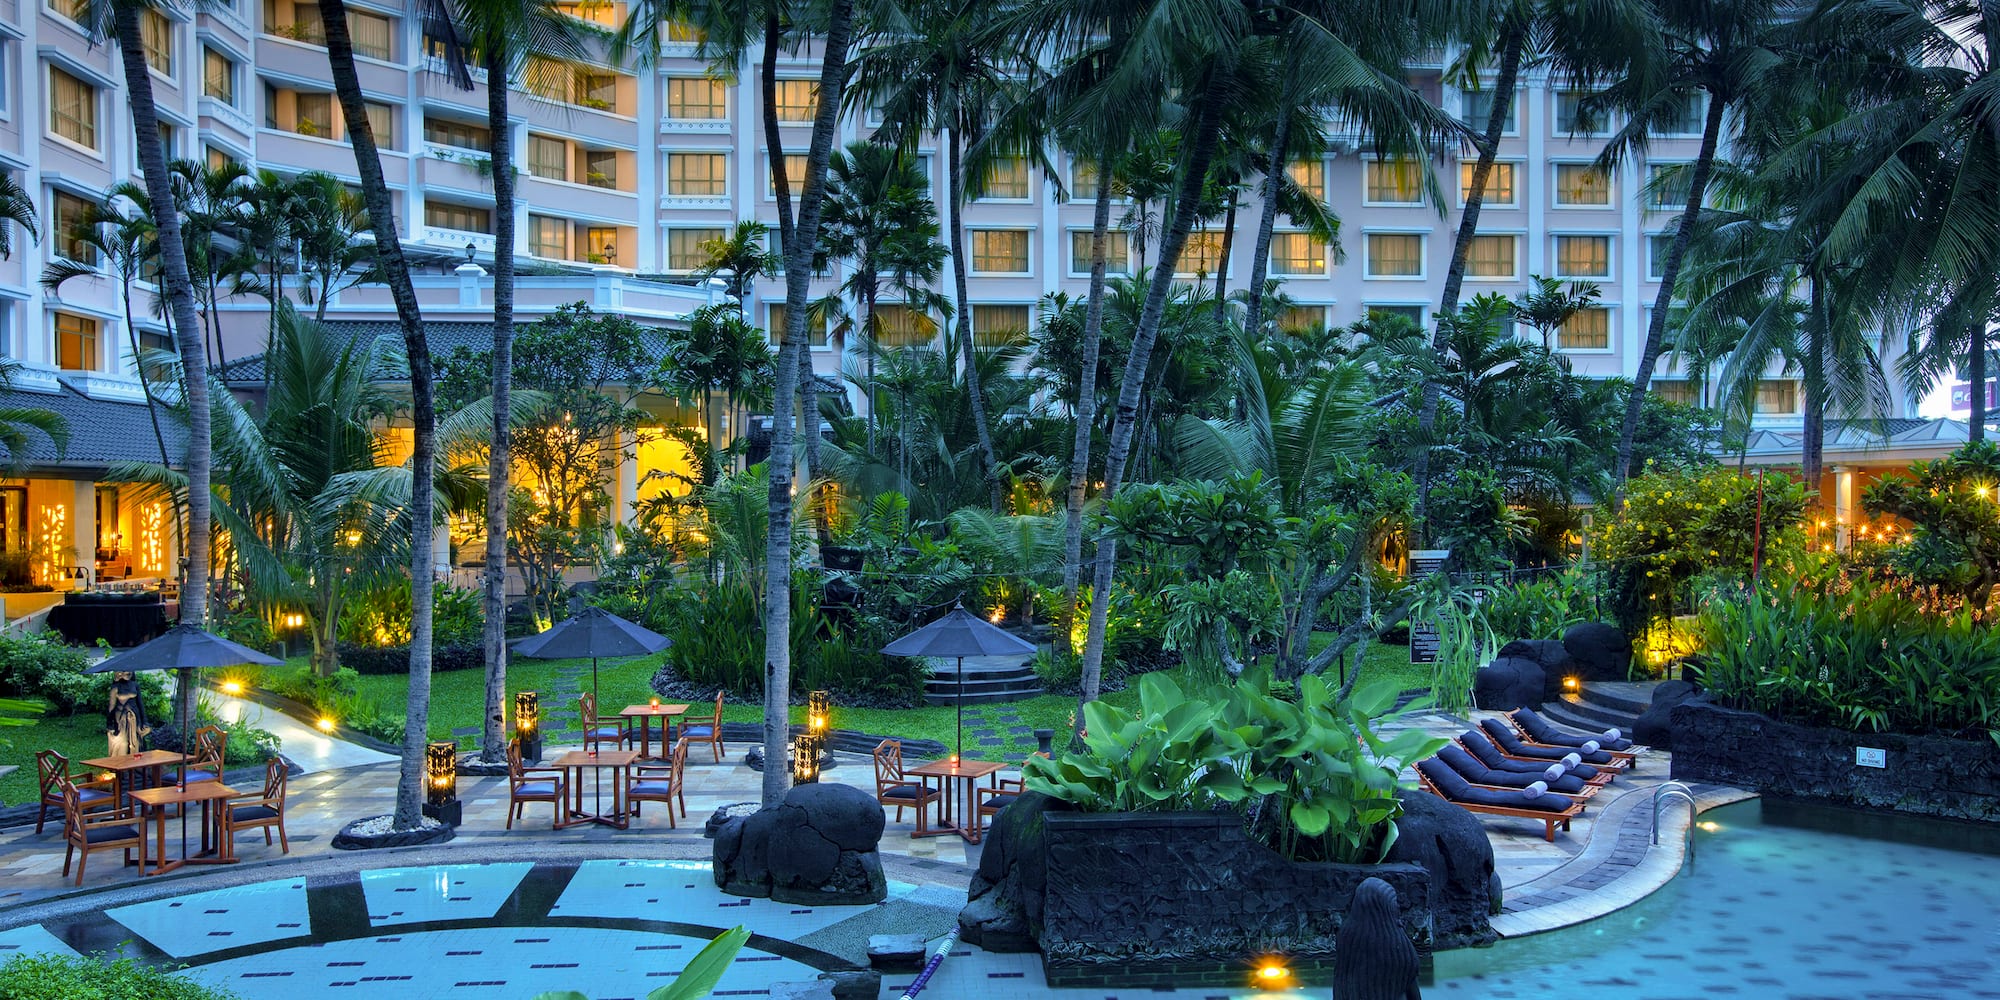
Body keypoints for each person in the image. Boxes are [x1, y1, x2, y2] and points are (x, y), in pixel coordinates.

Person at [105, 670, 150, 756]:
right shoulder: (115, 687)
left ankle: (136, 763)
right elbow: (111, 707)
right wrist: (109, 724)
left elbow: (140, 704)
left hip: (135, 720)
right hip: (120, 721)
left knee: (136, 744)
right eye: (124, 671)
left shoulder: (135, 685)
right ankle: (122, 762)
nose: (127, 673)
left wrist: (145, 722)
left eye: (129, 671)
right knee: (123, 744)